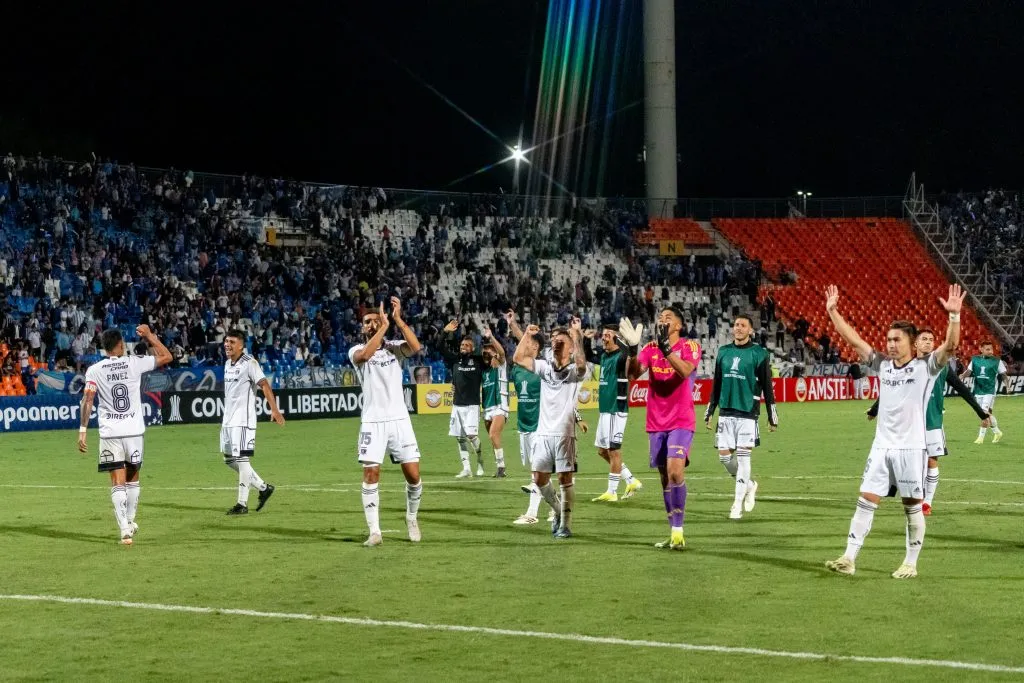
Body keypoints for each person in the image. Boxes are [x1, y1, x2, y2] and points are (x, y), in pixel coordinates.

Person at [823, 283, 964, 579]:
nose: (890, 344)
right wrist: (833, 311)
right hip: (881, 447)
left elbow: (950, 347)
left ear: (911, 343)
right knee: (866, 499)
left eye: (896, 340)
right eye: (888, 339)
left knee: (911, 505)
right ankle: (849, 557)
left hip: (912, 449)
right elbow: (855, 340)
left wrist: (954, 317)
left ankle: (910, 562)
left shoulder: (927, 367)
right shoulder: (883, 365)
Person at [867, 332, 990, 515]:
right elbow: (891, 390)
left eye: (931, 340)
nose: (928, 342)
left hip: (932, 422)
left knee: (932, 461)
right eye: (924, 339)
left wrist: (981, 413)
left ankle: (927, 503)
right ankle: (894, 490)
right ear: (915, 343)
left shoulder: (941, 367)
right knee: (900, 459)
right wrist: (875, 410)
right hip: (907, 424)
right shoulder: (906, 366)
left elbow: (962, 389)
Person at [77, 326, 172, 544]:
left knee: (117, 481)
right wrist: (149, 336)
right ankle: (130, 520)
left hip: (110, 433)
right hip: (134, 432)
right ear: (120, 345)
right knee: (133, 478)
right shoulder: (133, 362)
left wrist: (82, 431)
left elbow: (88, 400)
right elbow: (167, 356)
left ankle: (124, 531)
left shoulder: (94, 370)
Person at [624, 307, 702, 550]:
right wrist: (632, 349)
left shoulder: (690, 346)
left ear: (678, 326)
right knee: (664, 477)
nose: (662, 320)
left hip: (681, 419)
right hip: (656, 421)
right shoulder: (650, 348)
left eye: (668, 318)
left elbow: (686, 370)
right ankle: (673, 532)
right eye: (660, 317)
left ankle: (678, 529)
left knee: (675, 471)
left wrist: (666, 349)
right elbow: (633, 375)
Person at [349, 297, 424, 547]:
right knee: (371, 473)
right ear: (362, 328)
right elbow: (365, 355)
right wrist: (382, 325)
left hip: (399, 420)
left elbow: (416, 346)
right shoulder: (355, 351)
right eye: (366, 322)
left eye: (374, 321)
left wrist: (397, 320)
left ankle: (411, 518)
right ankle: (375, 531)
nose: (370, 324)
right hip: (372, 422)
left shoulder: (394, 347)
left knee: (413, 476)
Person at [512, 319, 591, 539]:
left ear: (571, 348)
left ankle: (566, 524)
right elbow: (518, 358)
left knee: (565, 480)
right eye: (554, 340)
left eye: (561, 341)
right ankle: (557, 511)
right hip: (543, 432)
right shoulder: (544, 368)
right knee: (539, 478)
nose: (556, 342)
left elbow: (583, 365)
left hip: (565, 434)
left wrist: (576, 336)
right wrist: (527, 335)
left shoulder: (575, 371)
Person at [704, 314, 778, 520]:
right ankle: (750, 485)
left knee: (744, 458)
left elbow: (766, 385)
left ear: (750, 331)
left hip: (748, 412)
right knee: (725, 457)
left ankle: (736, 504)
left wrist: (772, 415)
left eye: (743, 325)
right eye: (736, 325)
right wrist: (710, 410)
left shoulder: (759, 353)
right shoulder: (723, 352)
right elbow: (716, 383)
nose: (738, 328)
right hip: (726, 411)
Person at [221, 329, 286, 515]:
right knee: (228, 459)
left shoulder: (250, 363)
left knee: (242, 460)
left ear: (241, 345)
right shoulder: (227, 363)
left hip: (243, 420)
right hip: (228, 420)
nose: (227, 345)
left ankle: (242, 504)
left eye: (232, 342)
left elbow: (264, 384)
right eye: (226, 341)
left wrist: (274, 409)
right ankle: (263, 487)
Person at [585, 323, 643, 502]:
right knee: (602, 451)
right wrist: (586, 340)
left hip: (616, 410)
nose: (604, 337)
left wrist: (627, 342)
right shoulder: (605, 356)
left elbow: (629, 355)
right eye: (603, 335)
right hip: (605, 410)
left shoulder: (620, 358)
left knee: (614, 451)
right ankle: (631, 480)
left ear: (616, 339)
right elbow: (588, 356)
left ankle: (612, 491)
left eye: (608, 335)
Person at [437, 320, 485, 477]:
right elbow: (439, 347)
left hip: (472, 405)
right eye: (461, 345)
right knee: (459, 437)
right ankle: (466, 468)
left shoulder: (478, 361)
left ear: (473, 348)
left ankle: (480, 460)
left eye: (466, 346)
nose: (462, 347)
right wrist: (445, 331)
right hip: (457, 405)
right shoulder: (455, 360)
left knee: (471, 436)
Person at [960, 340, 1008, 444]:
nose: (990, 351)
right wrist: (962, 376)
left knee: (984, 413)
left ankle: (980, 438)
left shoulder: (997, 361)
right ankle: (997, 432)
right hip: (978, 390)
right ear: (981, 349)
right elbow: (968, 371)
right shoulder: (975, 360)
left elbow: (1003, 375)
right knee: (987, 413)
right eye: (987, 349)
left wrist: (1008, 387)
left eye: (991, 349)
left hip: (990, 390)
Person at [480, 327, 510, 478]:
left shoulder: (501, 367)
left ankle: (502, 467)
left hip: (500, 407)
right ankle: (500, 467)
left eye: (489, 352)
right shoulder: (484, 372)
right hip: (487, 409)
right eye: (485, 353)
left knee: (493, 435)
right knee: (494, 439)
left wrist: (491, 337)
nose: (487, 354)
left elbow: (503, 353)